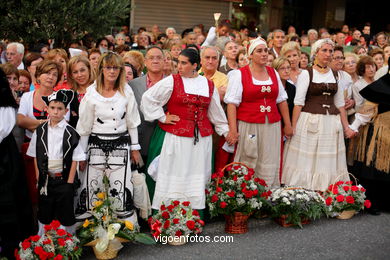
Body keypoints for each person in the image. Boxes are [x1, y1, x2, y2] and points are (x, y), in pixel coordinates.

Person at [141, 48, 229, 218]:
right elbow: (148, 98)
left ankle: (193, 217)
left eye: (183, 63)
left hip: (201, 140)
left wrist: (225, 131)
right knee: (176, 173)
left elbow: (216, 112)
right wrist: (162, 117)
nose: (179, 66)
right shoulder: (172, 81)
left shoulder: (208, 85)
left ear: (195, 65)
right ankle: (170, 216)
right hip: (177, 137)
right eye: (178, 62)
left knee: (195, 175)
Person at [75, 52, 141, 224]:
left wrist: (135, 148)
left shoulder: (127, 91)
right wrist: (81, 155)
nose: (112, 71)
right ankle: (91, 231)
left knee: (119, 188)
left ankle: (121, 232)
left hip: (121, 145)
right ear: (101, 69)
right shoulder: (91, 93)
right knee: (92, 187)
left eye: (116, 68)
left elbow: (132, 121)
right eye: (108, 67)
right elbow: (84, 127)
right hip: (95, 145)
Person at [282, 39, 355, 191]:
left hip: (331, 123)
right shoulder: (306, 73)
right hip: (309, 120)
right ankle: (304, 193)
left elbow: (340, 103)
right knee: (307, 160)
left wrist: (346, 127)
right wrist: (292, 127)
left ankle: (324, 192)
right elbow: (298, 103)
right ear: (316, 53)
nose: (328, 54)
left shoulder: (336, 75)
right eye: (324, 50)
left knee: (326, 161)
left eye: (330, 51)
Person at [224, 37, 292, 187]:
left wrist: (287, 124)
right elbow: (232, 104)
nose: (264, 54)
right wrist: (233, 130)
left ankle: (267, 193)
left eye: (266, 51)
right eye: (259, 51)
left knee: (269, 158)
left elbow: (281, 100)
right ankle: (245, 194)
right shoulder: (239, 74)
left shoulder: (273, 72)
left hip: (272, 124)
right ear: (250, 55)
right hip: (248, 123)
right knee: (248, 156)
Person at [27, 90, 85, 234]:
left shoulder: (71, 133)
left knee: (65, 212)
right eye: (52, 108)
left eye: (60, 109)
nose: (56, 112)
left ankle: (66, 242)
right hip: (46, 180)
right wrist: (38, 177)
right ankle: (43, 241)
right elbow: (35, 156)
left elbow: (75, 160)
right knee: (45, 210)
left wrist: (69, 183)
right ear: (46, 109)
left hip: (64, 179)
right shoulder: (39, 131)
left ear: (65, 111)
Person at [0, 68, 32, 259]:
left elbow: (2, 130)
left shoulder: (4, 99)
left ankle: (11, 248)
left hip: (4, 159)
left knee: (8, 204)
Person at [349, 67, 390, 214]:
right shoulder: (381, 86)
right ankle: (372, 203)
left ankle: (386, 203)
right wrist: (353, 127)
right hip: (380, 134)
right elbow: (366, 111)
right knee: (375, 170)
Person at [67, 55, 95, 128]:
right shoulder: (70, 95)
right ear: (71, 75)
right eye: (75, 72)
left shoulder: (99, 89)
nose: (79, 75)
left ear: (89, 69)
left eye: (82, 70)